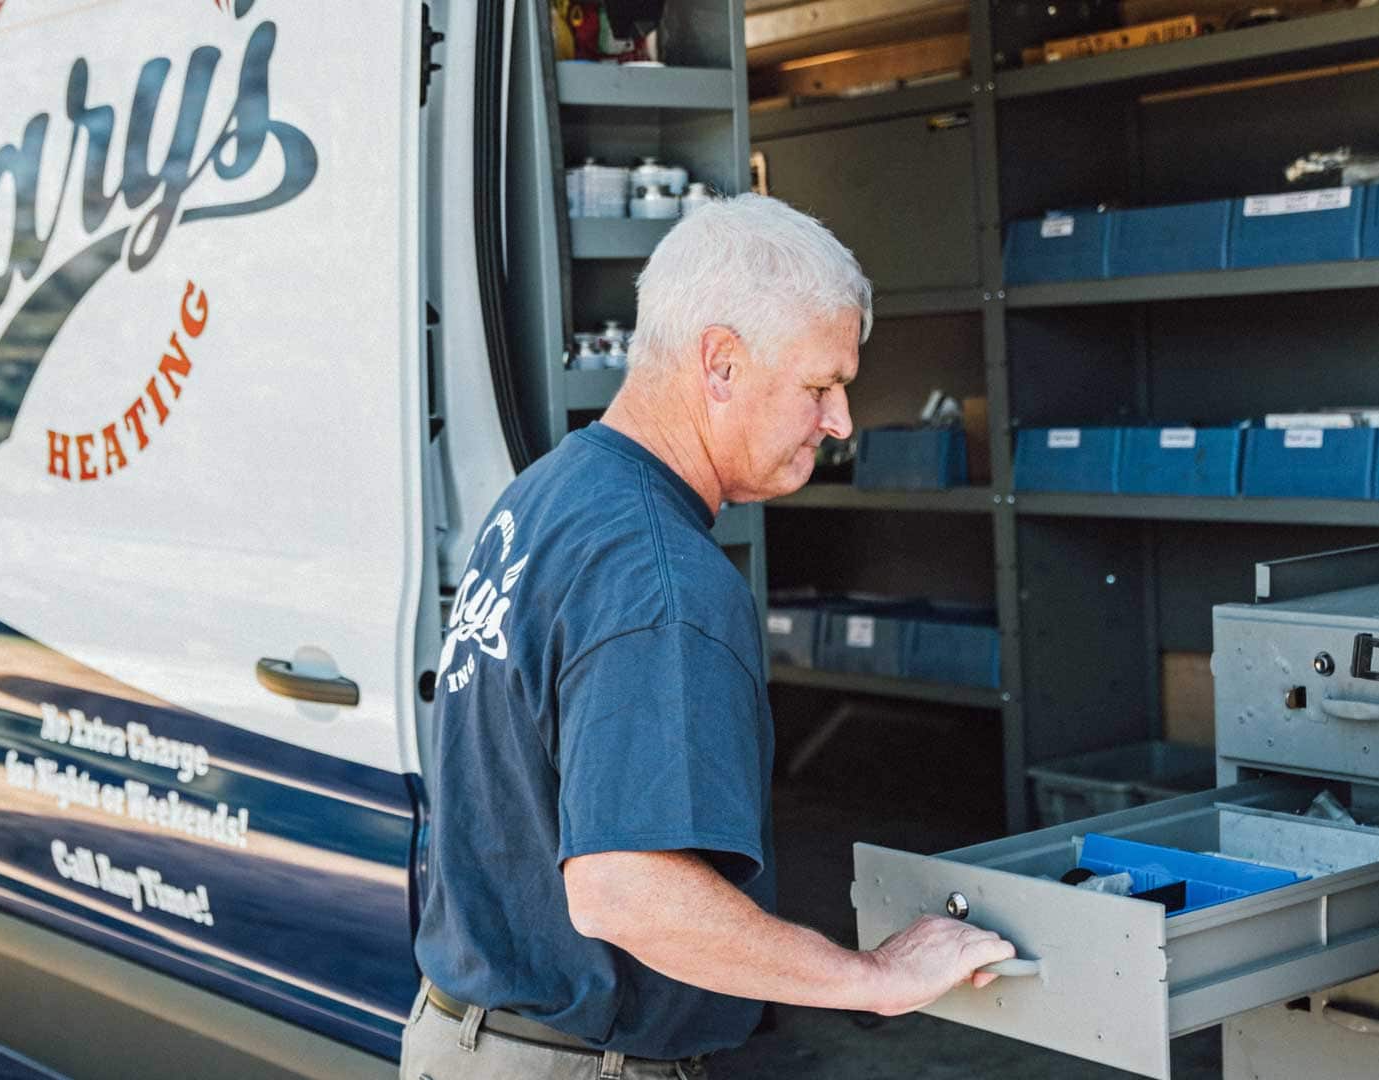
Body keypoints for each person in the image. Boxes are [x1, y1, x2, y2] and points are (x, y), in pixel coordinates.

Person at [406, 194, 1015, 1080]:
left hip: (465, 1038)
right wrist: (873, 976)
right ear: (720, 363)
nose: (840, 421)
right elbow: (627, 891)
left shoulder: (547, 495)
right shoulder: (663, 580)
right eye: (820, 386)